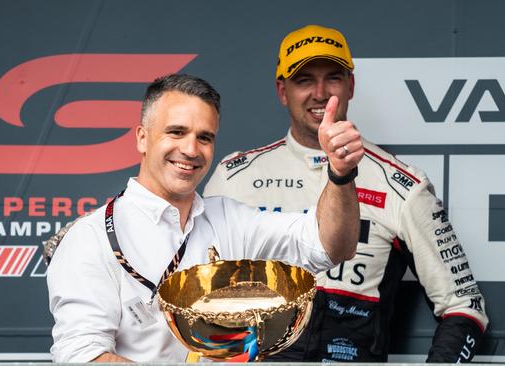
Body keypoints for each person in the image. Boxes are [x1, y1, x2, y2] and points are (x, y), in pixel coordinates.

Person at [204, 25, 489, 362]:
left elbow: (466, 307)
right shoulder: (235, 176)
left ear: (351, 85)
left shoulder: (401, 185)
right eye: (304, 80)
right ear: (283, 91)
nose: (320, 93)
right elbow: (197, 295)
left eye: (333, 78)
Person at [46, 73, 364, 362]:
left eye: (204, 137)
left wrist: (340, 173)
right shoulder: (91, 238)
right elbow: (82, 356)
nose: (191, 149)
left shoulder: (228, 219)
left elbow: (331, 246)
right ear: (142, 138)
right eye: (176, 132)